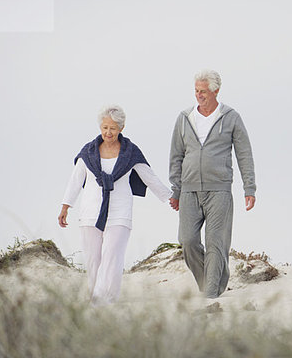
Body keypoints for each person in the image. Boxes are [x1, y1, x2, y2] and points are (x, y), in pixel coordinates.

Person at [58, 105, 172, 305]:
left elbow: (149, 177)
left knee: (112, 258)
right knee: (93, 261)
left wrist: (170, 197)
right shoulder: (89, 152)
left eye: (112, 128)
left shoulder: (130, 152)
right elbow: (75, 180)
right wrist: (66, 206)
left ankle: (106, 302)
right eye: (104, 128)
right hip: (90, 212)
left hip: (120, 212)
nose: (107, 132)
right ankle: (92, 302)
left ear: (121, 128)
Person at [169, 69, 256, 299]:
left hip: (219, 189)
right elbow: (176, 156)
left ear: (216, 91)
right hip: (189, 190)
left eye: (204, 91)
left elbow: (244, 154)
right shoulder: (184, 118)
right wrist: (176, 190)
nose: (199, 95)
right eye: (196, 91)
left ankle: (210, 295)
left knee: (216, 242)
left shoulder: (231, 117)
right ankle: (209, 283)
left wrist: (249, 188)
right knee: (187, 240)